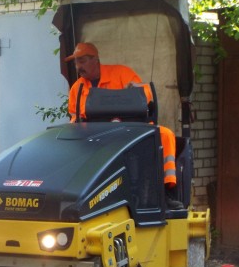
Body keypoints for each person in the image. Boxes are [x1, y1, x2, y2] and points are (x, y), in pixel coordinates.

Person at [65, 42, 184, 210]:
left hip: (131, 128)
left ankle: (166, 193)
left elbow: (146, 94)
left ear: (95, 60)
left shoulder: (121, 73)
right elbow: (74, 117)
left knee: (164, 134)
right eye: (76, 62)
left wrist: (135, 90)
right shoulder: (77, 88)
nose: (78, 66)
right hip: (97, 134)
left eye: (82, 61)